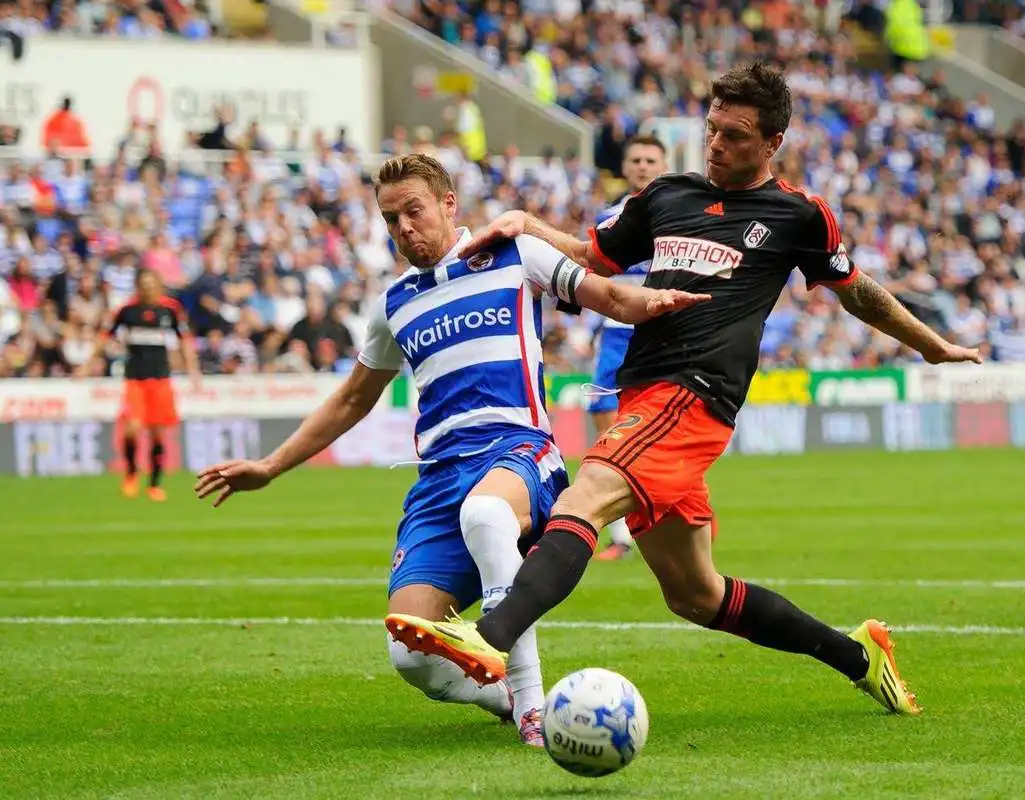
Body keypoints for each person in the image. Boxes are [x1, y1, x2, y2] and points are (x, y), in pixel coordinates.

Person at [383, 62, 982, 717]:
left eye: (736, 135)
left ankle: (490, 639)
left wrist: (931, 344)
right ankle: (862, 657)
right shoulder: (668, 196)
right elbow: (591, 257)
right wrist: (526, 223)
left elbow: (857, 291)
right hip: (641, 395)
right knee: (696, 595)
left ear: (773, 143)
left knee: (586, 496)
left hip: (694, 396)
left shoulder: (798, 214)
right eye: (712, 129)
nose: (717, 144)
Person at [192, 154, 707, 746]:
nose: (404, 227)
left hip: (520, 453)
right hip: (438, 480)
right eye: (391, 219)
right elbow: (351, 399)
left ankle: (534, 708)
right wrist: (270, 465)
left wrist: (663, 302)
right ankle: (505, 696)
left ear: (448, 204)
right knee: (411, 653)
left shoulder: (517, 255)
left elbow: (612, 298)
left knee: (486, 514)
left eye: (413, 210)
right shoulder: (393, 305)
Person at [587, 133, 668, 561]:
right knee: (604, 417)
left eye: (650, 160)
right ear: (624, 167)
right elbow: (594, 271)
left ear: (663, 166)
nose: (642, 166)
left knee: (666, 426)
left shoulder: (679, 214)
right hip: (617, 331)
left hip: (662, 333)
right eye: (636, 160)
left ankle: (675, 514)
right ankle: (621, 534)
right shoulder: (608, 218)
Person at [98, 268, 202, 501]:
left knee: (158, 434)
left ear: (158, 286)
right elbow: (105, 335)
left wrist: (193, 370)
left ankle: (154, 484)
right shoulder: (127, 311)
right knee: (132, 428)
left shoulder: (170, 310)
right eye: (144, 285)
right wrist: (89, 364)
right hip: (135, 379)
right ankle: (131, 473)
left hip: (160, 379)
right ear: (138, 287)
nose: (148, 289)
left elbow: (185, 341)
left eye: (151, 284)